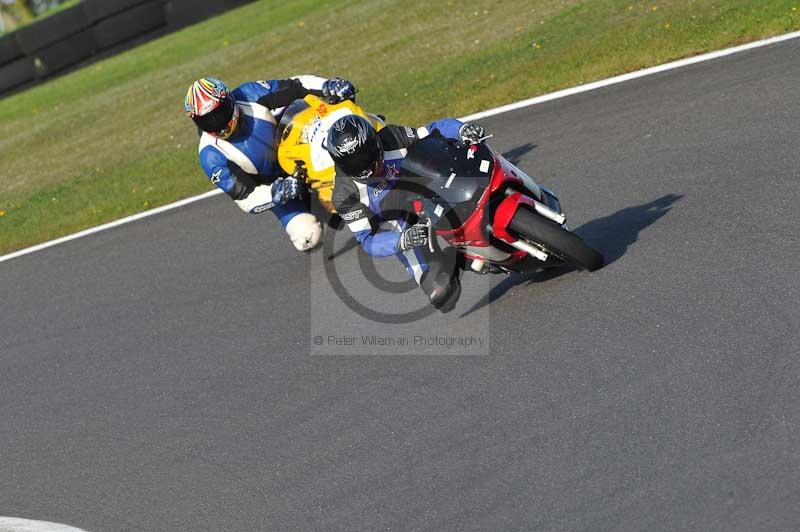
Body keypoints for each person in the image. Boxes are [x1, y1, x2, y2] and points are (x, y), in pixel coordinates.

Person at [325, 114, 487, 312]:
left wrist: (461, 130)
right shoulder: (343, 194)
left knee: (478, 172)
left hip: (429, 192)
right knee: (443, 295)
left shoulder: (391, 137)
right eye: (352, 163)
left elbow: (433, 130)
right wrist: (401, 240)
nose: (363, 167)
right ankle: (461, 257)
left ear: (375, 143)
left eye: (365, 156)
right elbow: (367, 239)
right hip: (403, 227)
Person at [184, 75, 357, 251]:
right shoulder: (210, 155)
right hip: (276, 186)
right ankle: (317, 204)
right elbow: (247, 198)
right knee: (307, 236)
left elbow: (296, 85)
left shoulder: (248, 94)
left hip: (298, 150)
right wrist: (278, 191)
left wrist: (328, 85)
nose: (218, 125)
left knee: (330, 113)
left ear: (230, 100)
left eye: (219, 114)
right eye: (207, 121)